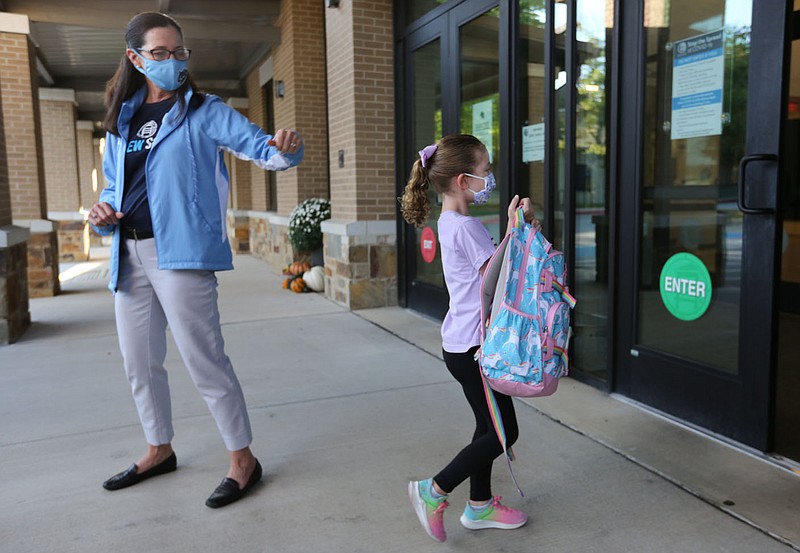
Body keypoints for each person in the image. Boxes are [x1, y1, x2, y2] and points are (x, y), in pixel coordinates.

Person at [90, 12, 304, 508]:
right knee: (139, 362)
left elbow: (260, 147)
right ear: (135, 58)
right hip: (129, 252)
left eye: (178, 52)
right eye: (159, 53)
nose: (171, 61)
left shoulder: (205, 110)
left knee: (203, 359)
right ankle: (158, 448)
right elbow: (111, 187)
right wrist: (103, 214)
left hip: (180, 254)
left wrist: (285, 152)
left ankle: (242, 461)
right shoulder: (121, 120)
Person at [400, 134, 539, 542]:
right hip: (476, 349)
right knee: (502, 433)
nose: (489, 178)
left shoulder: (449, 222)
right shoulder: (466, 228)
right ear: (463, 180)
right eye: (484, 171)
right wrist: (516, 228)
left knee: (487, 426)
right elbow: (495, 282)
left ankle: (479, 506)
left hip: (461, 345)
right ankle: (433, 490)